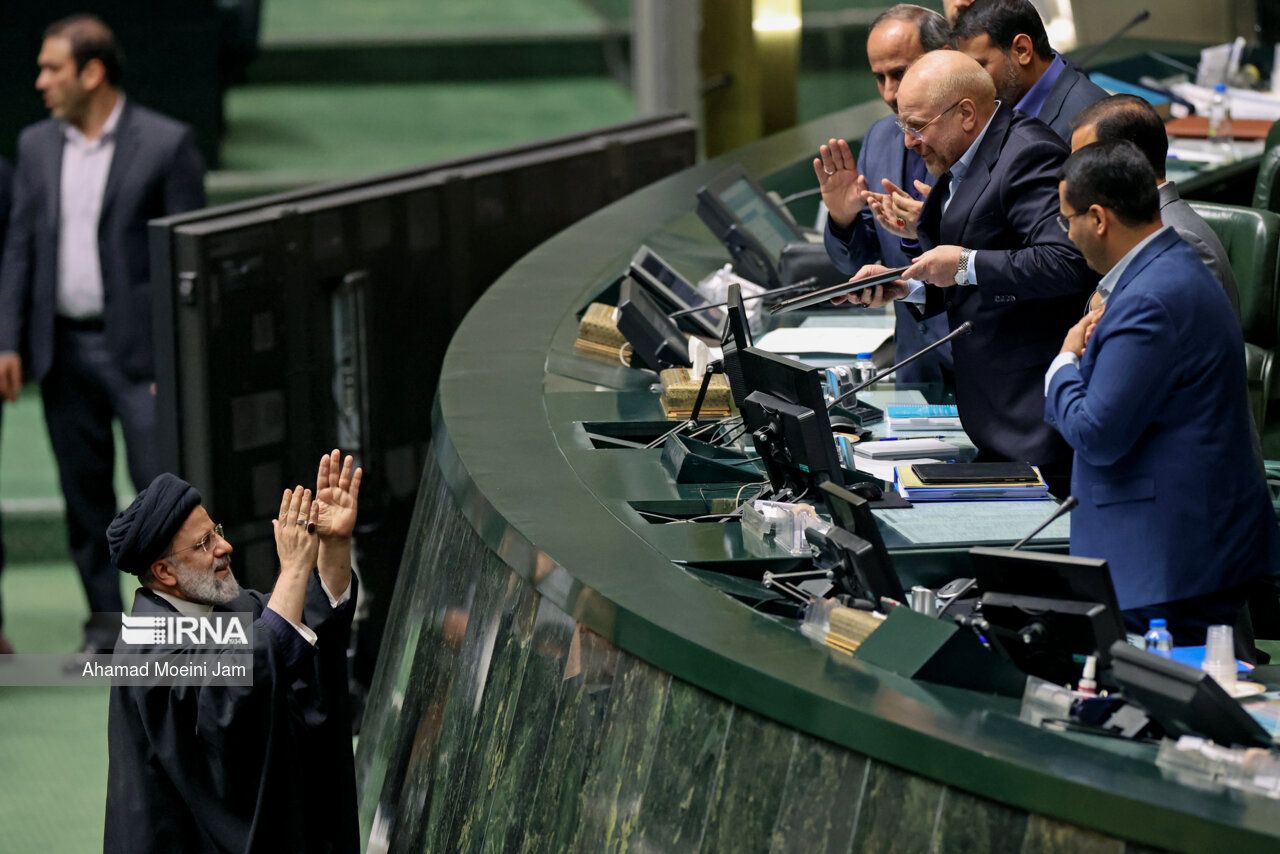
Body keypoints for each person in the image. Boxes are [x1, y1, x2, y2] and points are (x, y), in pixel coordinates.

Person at [0, 15, 206, 654]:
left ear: (92, 72)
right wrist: (8, 339)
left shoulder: (166, 144)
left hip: (141, 358)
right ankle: (103, 623)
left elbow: (189, 262)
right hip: (61, 350)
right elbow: (20, 247)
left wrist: (176, 357)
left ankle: (176, 625)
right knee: (82, 496)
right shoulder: (36, 145)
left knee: (163, 495)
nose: (40, 81)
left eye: (52, 68)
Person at [1046, 140, 1277, 644]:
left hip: (1170, 558)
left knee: (1172, 687)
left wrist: (1063, 363)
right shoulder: (1166, 268)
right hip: (1178, 545)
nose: (1068, 233)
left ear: (1099, 218)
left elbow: (1097, 432)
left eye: (1067, 221)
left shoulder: (1150, 297)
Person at [845, 50, 1095, 492]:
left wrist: (963, 263)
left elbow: (1066, 261)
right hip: (992, 417)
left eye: (917, 126)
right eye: (903, 126)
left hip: (1035, 420)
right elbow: (971, 272)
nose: (909, 142)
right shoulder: (960, 156)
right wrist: (908, 286)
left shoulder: (1028, 153)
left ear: (965, 114)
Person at [103, 450, 361, 853]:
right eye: (204, 543)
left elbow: (303, 628)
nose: (224, 546)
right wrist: (294, 568)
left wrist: (333, 546)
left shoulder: (232, 608)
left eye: (216, 531)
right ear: (164, 572)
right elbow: (237, 694)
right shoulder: (146, 648)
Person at [817, 4, 954, 387]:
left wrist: (928, 228)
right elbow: (856, 262)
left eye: (900, 73)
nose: (890, 92)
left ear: (944, 57)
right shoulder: (879, 138)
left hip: (978, 358)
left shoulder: (975, 136)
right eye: (880, 77)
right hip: (915, 365)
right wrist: (843, 218)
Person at [1070, 94, 1240, 319]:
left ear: (1127, 163)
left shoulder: (1179, 240)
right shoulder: (1131, 224)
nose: (1075, 177)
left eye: (1085, 163)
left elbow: (1174, 336)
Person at [952, 0, 1106, 143]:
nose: (972, 82)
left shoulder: (1093, 120)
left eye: (980, 66)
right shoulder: (1004, 106)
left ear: (1022, 50)